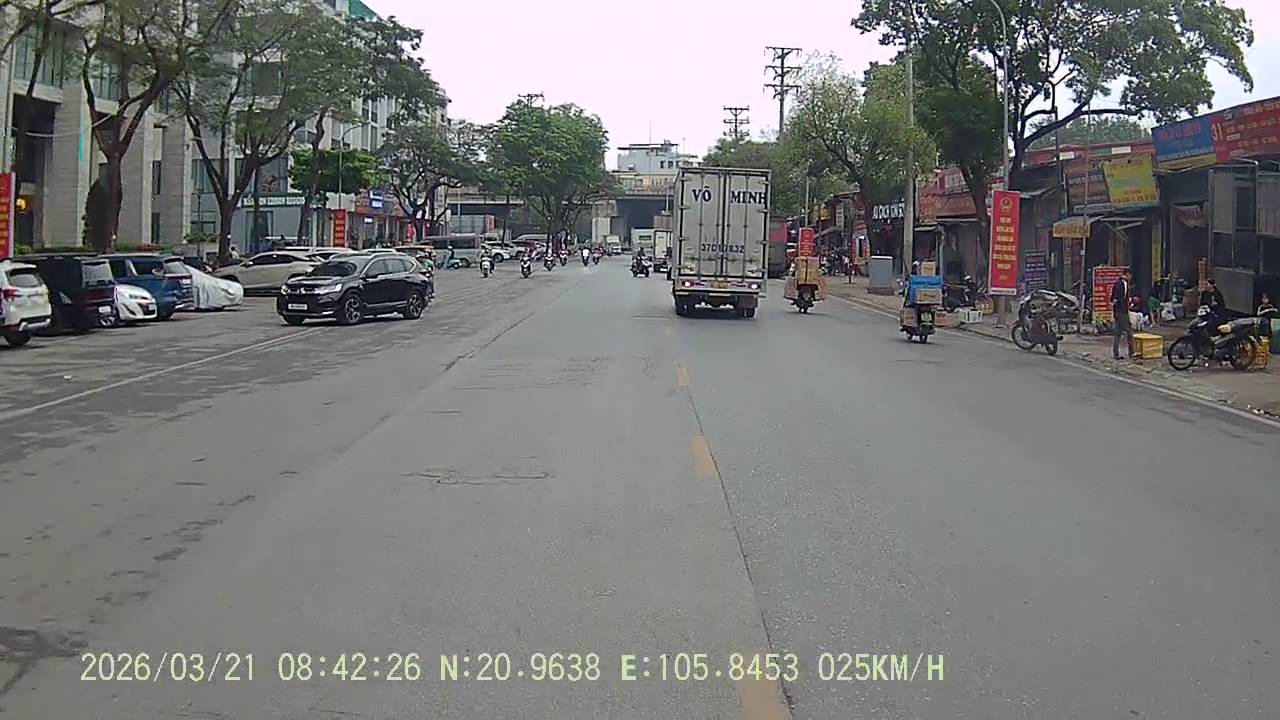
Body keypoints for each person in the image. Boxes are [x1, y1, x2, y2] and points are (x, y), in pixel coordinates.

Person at [1111, 267, 1135, 360]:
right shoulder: (1123, 284)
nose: (1131, 278)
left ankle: (1116, 353)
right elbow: (1118, 298)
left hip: (1117, 311)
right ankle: (1132, 352)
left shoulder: (1117, 283)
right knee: (1129, 331)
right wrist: (1123, 305)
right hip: (1122, 311)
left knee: (1118, 332)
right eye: (1130, 276)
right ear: (1127, 274)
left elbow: (1112, 298)